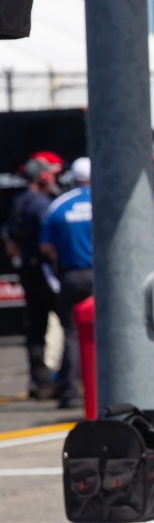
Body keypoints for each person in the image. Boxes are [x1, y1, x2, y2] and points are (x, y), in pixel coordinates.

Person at [39, 157, 93, 409]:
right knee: (113, 330)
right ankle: (107, 386)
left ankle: (70, 391)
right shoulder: (107, 202)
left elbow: (45, 246)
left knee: (71, 333)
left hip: (73, 275)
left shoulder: (59, 206)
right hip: (106, 277)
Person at [5, 157, 58, 399]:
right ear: (43, 177)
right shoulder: (43, 204)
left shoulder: (18, 202)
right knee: (68, 323)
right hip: (45, 271)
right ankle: (64, 381)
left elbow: (11, 244)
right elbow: (49, 244)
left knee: (36, 326)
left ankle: (40, 380)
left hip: (27, 269)